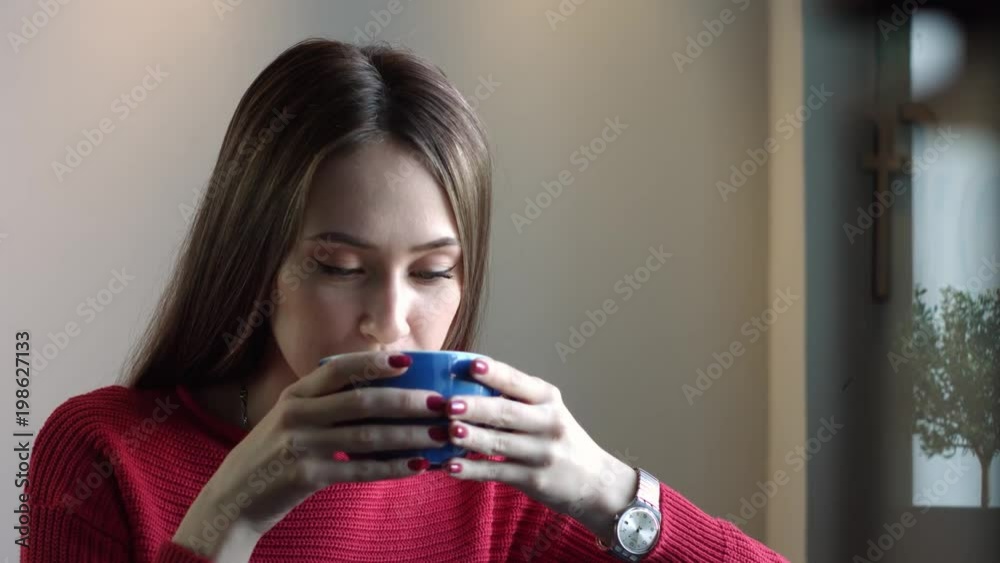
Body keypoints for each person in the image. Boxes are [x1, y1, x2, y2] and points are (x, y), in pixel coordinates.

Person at [21, 38, 789, 562]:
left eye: (431, 273)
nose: (388, 321)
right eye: (340, 264)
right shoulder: (102, 453)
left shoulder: (489, 485)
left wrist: (602, 485)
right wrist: (229, 517)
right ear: (257, 260)